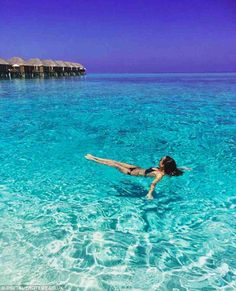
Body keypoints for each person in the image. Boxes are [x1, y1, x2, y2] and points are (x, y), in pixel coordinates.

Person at [85, 154, 191, 199]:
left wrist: (149, 194)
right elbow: (173, 169)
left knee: (114, 164)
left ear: (163, 165)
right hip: (136, 168)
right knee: (115, 161)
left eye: (160, 160)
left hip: (130, 172)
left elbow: (153, 184)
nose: (159, 161)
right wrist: (183, 168)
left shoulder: (159, 174)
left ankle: (93, 159)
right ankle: (95, 157)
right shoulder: (166, 170)